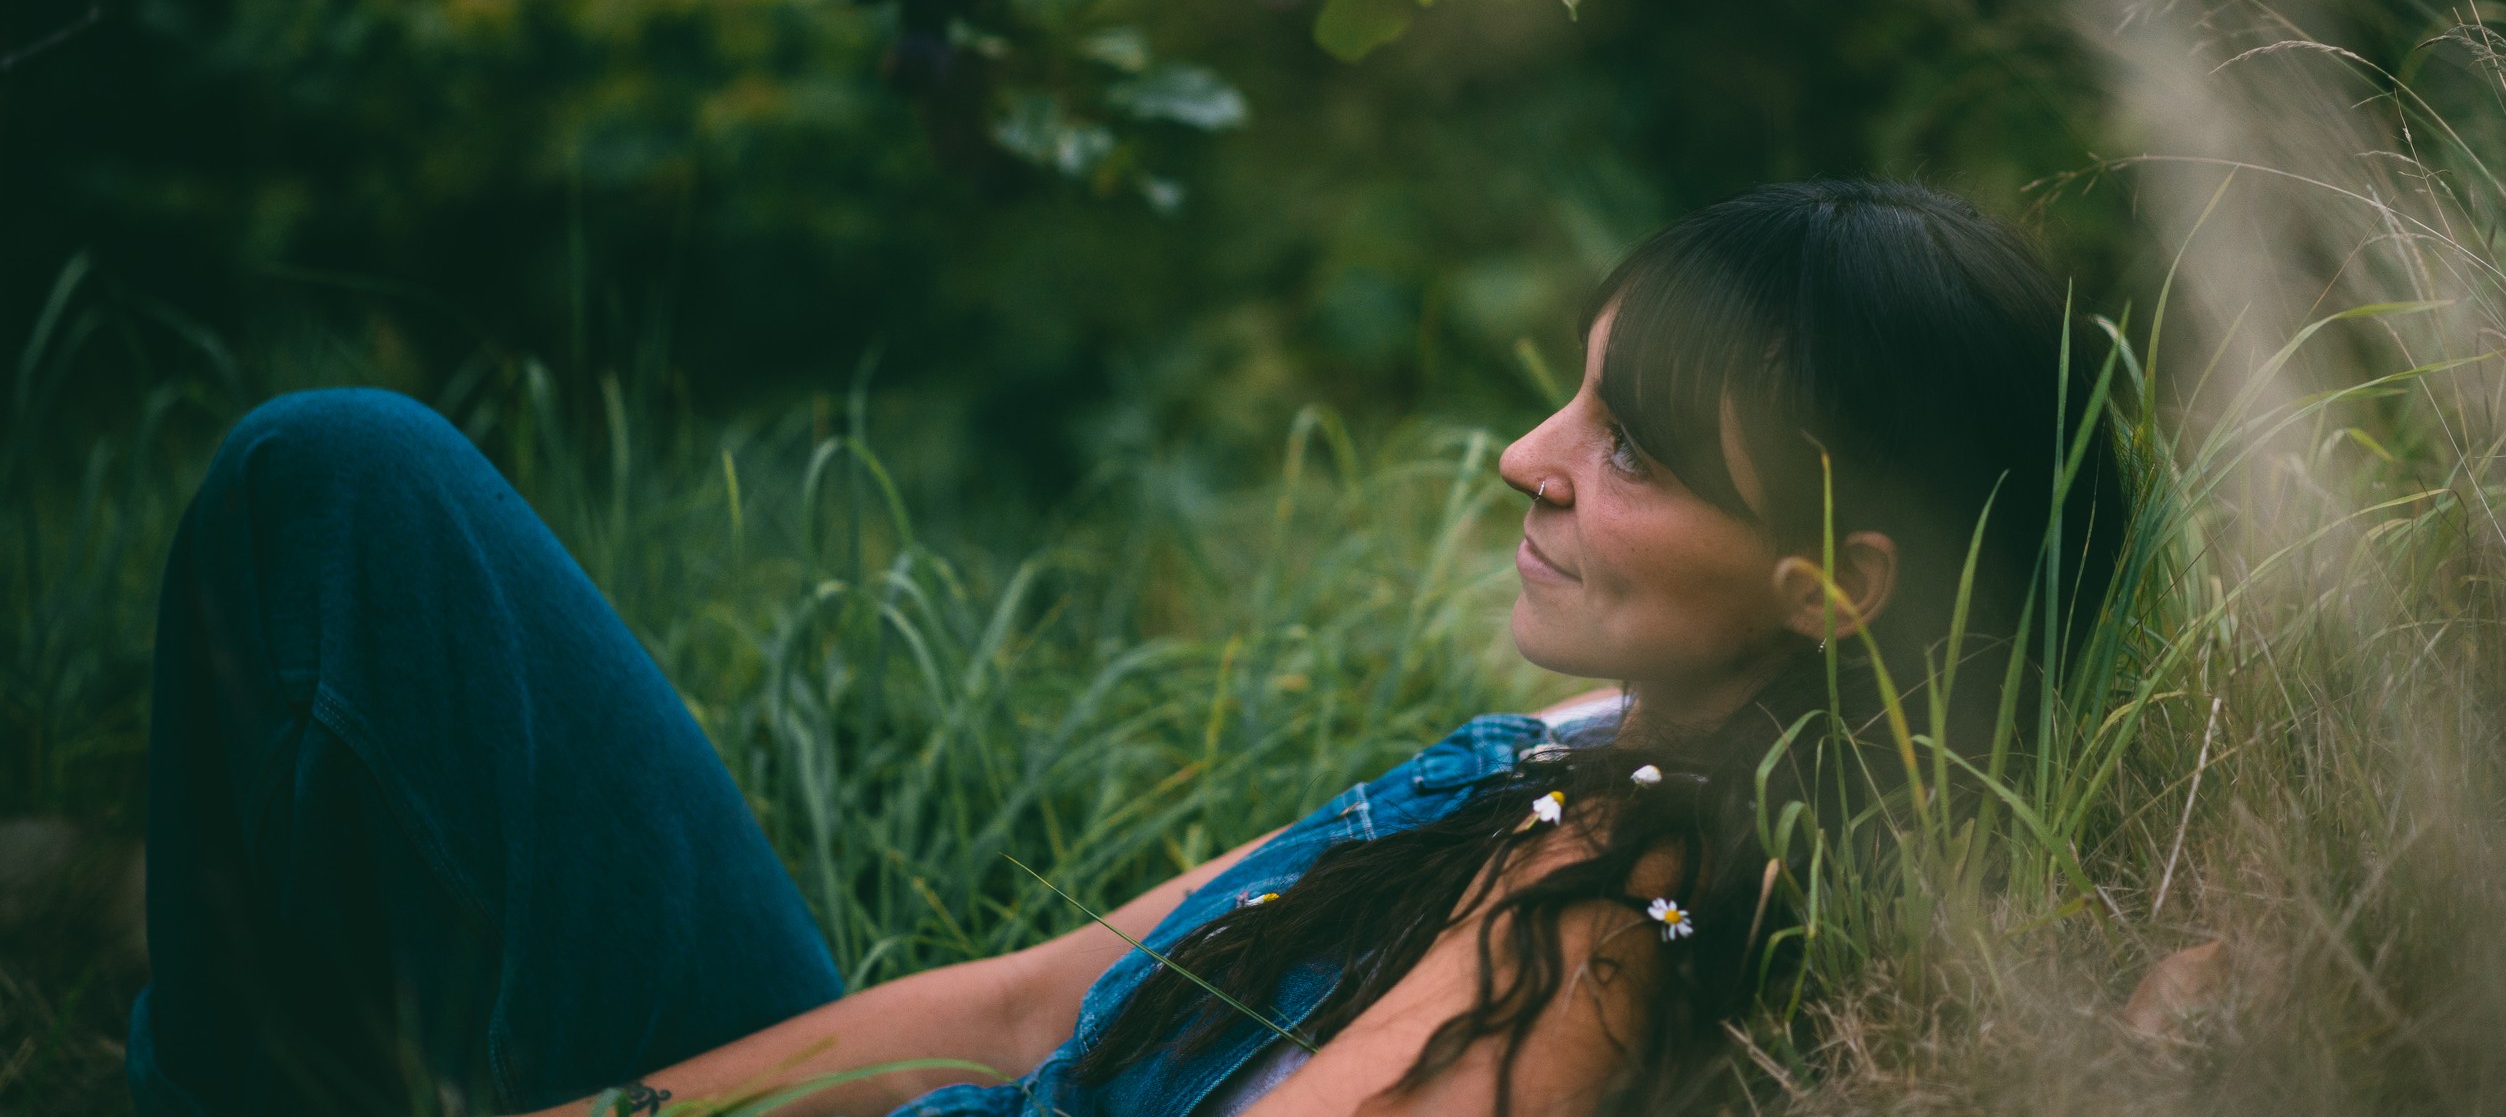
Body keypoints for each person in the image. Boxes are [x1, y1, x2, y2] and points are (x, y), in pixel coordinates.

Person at [127, 180, 2125, 1117]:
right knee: (349, 488)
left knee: (336, 482)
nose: (1528, 457)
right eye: (1574, 395)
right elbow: (1029, 1009)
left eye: (1631, 454)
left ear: (1831, 586)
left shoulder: (1620, 924)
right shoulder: (1582, 757)